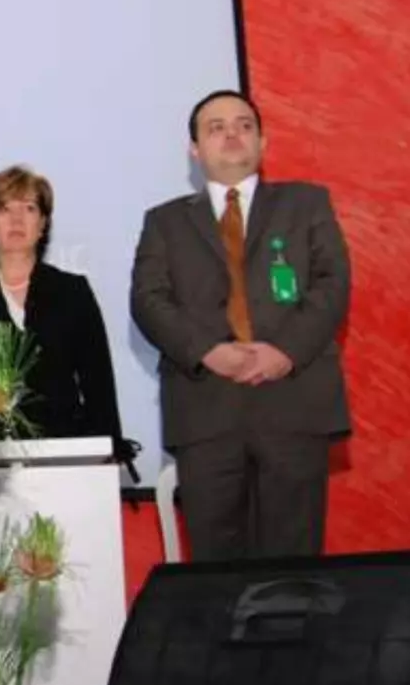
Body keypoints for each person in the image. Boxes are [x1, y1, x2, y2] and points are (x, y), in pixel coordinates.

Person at [131, 89, 352, 561]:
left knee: (294, 566)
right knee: (216, 571)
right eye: (216, 127)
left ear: (263, 141)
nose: (231, 135)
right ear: (195, 148)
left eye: (243, 125)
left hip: (294, 405)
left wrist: (284, 351)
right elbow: (148, 300)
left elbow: (333, 283)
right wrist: (209, 350)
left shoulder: (306, 204)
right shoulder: (164, 223)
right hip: (206, 411)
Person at [0, 165, 124, 454]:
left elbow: (98, 382)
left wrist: (108, 452)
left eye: (30, 208)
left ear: (43, 224)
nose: (17, 219)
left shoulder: (73, 292)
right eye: (4, 209)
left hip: (63, 452)